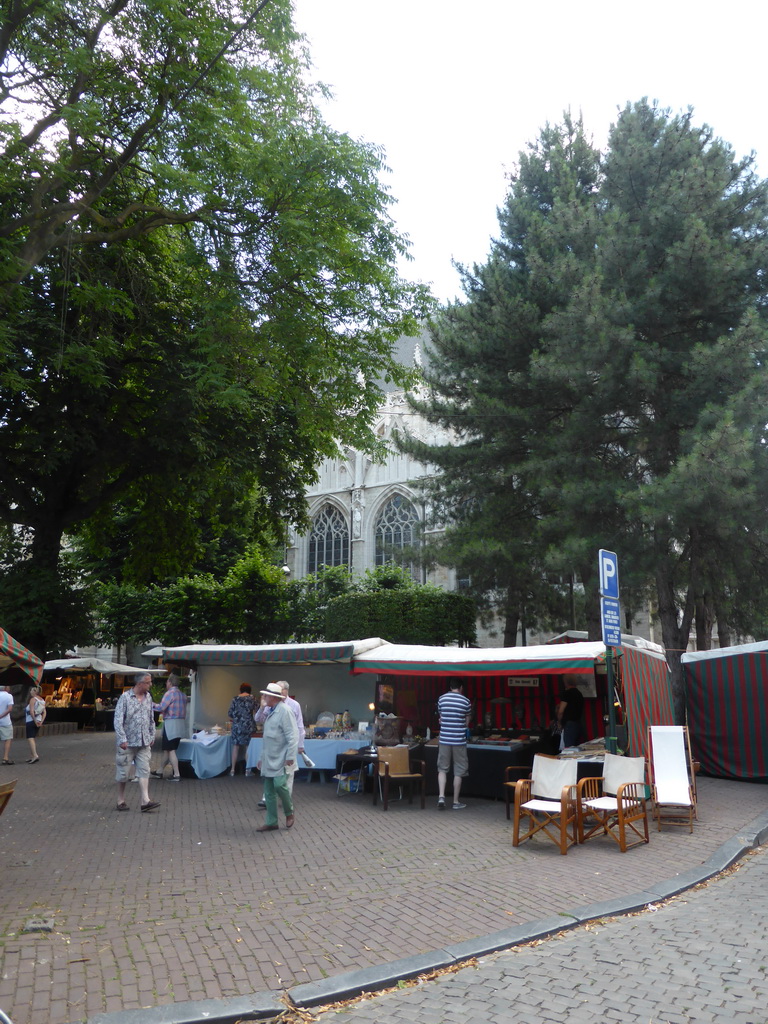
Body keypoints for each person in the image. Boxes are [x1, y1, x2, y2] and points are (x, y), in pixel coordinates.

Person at [114, 672, 160, 812]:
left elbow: (151, 719)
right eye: (148, 682)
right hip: (128, 742)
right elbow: (118, 719)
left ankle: (145, 800)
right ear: (139, 683)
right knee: (124, 773)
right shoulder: (125, 698)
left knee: (144, 770)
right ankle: (120, 799)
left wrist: (152, 735)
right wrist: (122, 739)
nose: (150, 685)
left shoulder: (148, 698)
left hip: (144, 742)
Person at [255, 681, 297, 832]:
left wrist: (290, 756)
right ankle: (272, 821)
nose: (264, 697)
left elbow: (292, 736)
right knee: (269, 791)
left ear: (273, 697)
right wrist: (261, 758)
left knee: (279, 785)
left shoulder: (285, 711)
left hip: (281, 758)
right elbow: (266, 738)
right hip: (269, 756)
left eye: (266, 695)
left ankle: (289, 812)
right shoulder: (270, 710)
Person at [436, 679, 472, 810]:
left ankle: (441, 797)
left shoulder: (441, 699)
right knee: (459, 770)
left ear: (450, 687)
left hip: (444, 739)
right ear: (461, 687)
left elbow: (441, 718)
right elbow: (467, 721)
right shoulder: (466, 701)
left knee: (442, 769)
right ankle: (456, 802)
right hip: (459, 740)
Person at [151, 669, 188, 781]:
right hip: (180, 724)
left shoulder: (169, 694)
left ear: (170, 683)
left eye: (167, 682)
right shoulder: (182, 695)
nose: (166, 684)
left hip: (171, 724)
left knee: (171, 749)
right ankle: (160, 771)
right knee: (168, 749)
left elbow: (161, 707)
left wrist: (150, 703)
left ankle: (176, 774)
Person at [227, 682, 256, 776]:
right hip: (248, 725)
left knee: (235, 747)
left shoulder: (235, 699)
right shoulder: (252, 698)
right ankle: (247, 770)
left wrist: (236, 718)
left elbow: (230, 713)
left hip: (237, 726)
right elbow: (259, 710)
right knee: (248, 747)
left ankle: (232, 770)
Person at [25, 685, 46, 763]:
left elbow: (31, 712)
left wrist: (34, 721)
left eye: (31, 690)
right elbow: (44, 712)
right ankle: (32, 755)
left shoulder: (33, 700)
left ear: (34, 691)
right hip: (39, 720)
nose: (30, 692)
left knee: (30, 738)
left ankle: (35, 755)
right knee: (33, 738)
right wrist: (41, 721)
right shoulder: (42, 700)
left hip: (31, 721)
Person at [0, 684, 15, 765]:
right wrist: (1, 716)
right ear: (5, 687)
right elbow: (9, 709)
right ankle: (5, 757)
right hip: (5, 721)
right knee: (8, 739)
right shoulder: (9, 696)